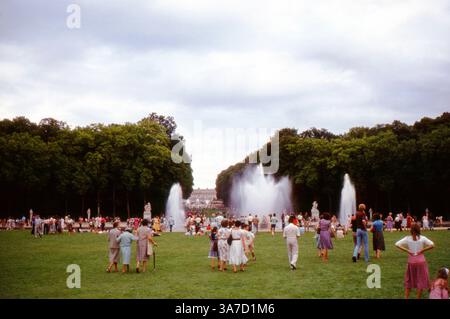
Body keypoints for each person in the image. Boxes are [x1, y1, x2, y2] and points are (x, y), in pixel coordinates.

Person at [395, 223, 434, 299]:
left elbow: (397, 244)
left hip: (411, 261)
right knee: (421, 280)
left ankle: (406, 298)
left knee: (408, 281)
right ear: (419, 230)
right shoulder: (422, 238)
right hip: (421, 261)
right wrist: (422, 250)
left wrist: (408, 251)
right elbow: (432, 245)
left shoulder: (407, 238)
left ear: (411, 230)